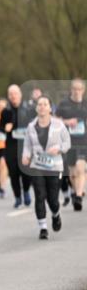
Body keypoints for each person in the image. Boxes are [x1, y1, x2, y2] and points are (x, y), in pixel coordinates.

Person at [22, 95, 71, 239]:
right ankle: (43, 227)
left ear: (50, 108)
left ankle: (55, 214)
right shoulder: (31, 126)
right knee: (39, 195)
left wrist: (59, 149)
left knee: (53, 199)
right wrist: (26, 156)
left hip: (55, 166)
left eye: (45, 104)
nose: (42, 106)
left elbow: (67, 142)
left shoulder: (59, 124)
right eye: (39, 104)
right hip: (37, 165)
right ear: (37, 108)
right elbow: (27, 145)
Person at [0, 84, 33, 208]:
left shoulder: (29, 109)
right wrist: (4, 129)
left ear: (20, 94)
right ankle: (18, 197)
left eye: (15, 93)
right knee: (13, 173)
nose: (13, 96)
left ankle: (26, 191)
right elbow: (0, 131)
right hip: (11, 146)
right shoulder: (5, 111)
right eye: (11, 94)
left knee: (26, 171)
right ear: (8, 96)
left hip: (26, 145)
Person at [56, 78, 87, 211]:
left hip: (84, 142)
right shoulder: (64, 104)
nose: (77, 91)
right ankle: (75, 192)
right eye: (74, 89)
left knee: (81, 168)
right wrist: (67, 122)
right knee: (72, 173)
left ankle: (78, 196)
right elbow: (55, 119)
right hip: (68, 142)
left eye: (79, 89)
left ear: (83, 90)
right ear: (71, 90)